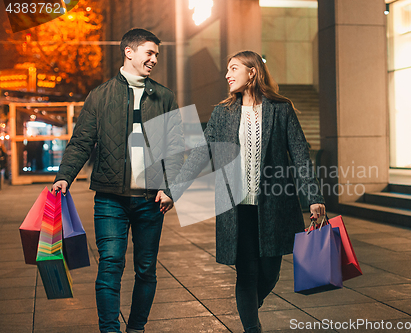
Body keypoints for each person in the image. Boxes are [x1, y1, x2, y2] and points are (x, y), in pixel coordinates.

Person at [168, 50, 325, 333]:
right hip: (236, 209)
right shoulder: (222, 113)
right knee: (247, 273)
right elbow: (200, 154)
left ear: (252, 72)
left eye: (233, 68)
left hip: (273, 207)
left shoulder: (281, 109)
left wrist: (313, 196)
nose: (227, 74)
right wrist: (173, 190)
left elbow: (300, 153)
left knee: (270, 273)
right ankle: (252, 327)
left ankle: (251, 305)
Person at [52, 28, 183, 333]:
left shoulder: (164, 96)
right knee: (110, 263)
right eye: (149, 53)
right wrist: (64, 177)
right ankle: (109, 330)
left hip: (152, 200)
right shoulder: (100, 96)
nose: (154, 60)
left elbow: (177, 149)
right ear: (129, 51)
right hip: (110, 198)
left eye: (156, 56)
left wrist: (171, 187)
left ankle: (136, 328)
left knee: (146, 269)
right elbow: (81, 141)